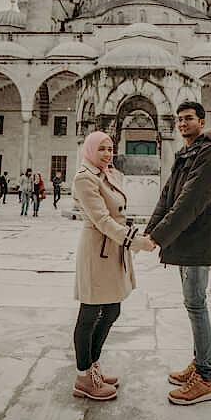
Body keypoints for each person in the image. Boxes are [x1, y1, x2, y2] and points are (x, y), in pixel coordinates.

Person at [145, 103, 211, 406]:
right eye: (179, 119)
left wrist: (159, 237)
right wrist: (150, 230)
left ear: (202, 120)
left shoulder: (208, 153)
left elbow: (190, 201)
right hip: (188, 239)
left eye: (188, 119)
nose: (183, 123)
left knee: (196, 304)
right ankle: (199, 365)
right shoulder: (187, 152)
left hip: (199, 239)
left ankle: (206, 377)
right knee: (193, 303)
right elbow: (167, 195)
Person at [71, 131, 154, 401]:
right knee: (90, 312)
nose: (107, 153)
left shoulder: (108, 174)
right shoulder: (85, 178)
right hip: (97, 251)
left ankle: (94, 365)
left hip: (113, 249)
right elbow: (103, 220)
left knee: (112, 309)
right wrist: (135, 242)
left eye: (110, 148)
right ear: (90, 150)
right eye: (102, 149)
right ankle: (84, 376)